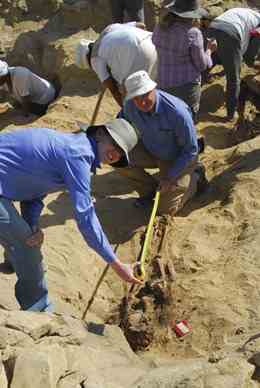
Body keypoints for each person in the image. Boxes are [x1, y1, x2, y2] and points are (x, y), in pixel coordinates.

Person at [0, 119, 141, 312]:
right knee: (27, 246)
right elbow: (86, 218)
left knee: (26, 237)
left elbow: (35, 193)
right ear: (99, 133)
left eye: (120, 153)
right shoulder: (78, 154)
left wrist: (33, 226)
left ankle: (14, 261)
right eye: (114, 144)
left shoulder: (74, 147)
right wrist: (115, 263)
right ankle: (39, 311)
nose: (114, 153)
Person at [118, 70, 208, 215]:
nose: (142, 102)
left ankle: (196, 177)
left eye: (145, 94)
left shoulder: (177, 112)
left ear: (153, 88)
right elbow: (121, 123)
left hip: (178, 157)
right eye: (136, 98)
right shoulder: (130, 106)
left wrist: (169, 177)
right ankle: (149, 190)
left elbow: (190, 150)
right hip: (151, 149)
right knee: (118, 158)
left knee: (166, 210)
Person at [152, 0, 216, 120]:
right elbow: (202, 65)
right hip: (185, 88)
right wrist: (209, 51)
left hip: (162, 83)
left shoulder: (159, 27)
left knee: (167, 120)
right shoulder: (193, 33)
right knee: (186, 120)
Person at [75, 23, 157, 107]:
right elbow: (141, 25)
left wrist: (124, 109)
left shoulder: (94, 59)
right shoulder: (109, 29)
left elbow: (113, 89)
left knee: (134, 94)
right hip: (152, 41)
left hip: (137, 56)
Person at [203, 7, 260, 121]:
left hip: (213, 26)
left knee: (211, 58)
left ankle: (191, 97)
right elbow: (249, 56)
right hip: (230, 33)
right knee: (234, 78)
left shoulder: (244, 12)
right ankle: (231, 113)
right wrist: (253, 63)